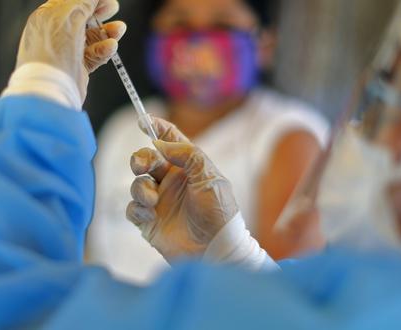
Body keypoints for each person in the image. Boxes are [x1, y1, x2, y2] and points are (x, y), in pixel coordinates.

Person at [0, 0, 401, 329]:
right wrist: (231, 258)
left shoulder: (286, 133)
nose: (357, 115)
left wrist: (40, 86)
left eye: (392, 88)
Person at [86, 0, 329, 284]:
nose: (197, 40)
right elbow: (95, 259)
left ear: (266, 44)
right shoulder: (123, 128)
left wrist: (222, 252)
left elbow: (288, 299)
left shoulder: (290, 136)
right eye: (179, 24)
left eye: (222, 25)